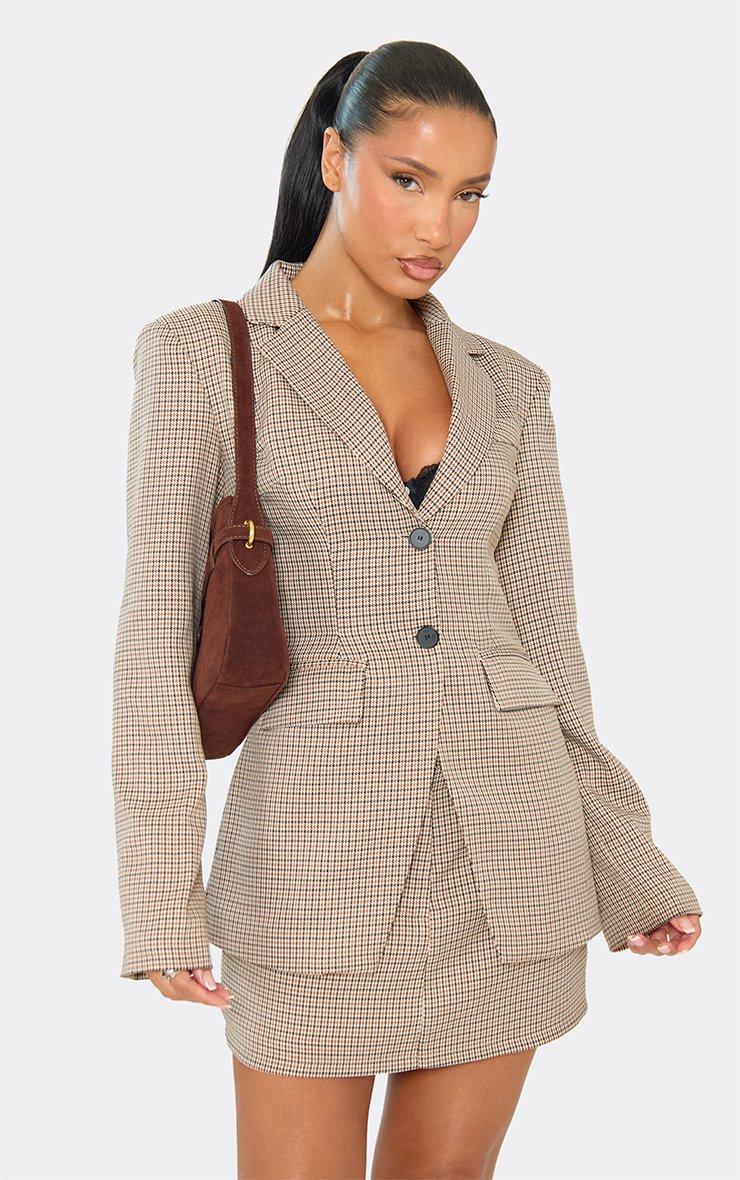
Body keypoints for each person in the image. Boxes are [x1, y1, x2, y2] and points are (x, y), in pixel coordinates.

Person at [111, 39, 703, 1178]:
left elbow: (547, 645)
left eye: (470, 194)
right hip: (311, 871)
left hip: (512, 870)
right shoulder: (203, 354)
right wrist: (158, 898)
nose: (440, 224)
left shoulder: (509, 384)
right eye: (409, 179)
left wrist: (626, 863)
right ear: (335, 160)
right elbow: (150, 645)